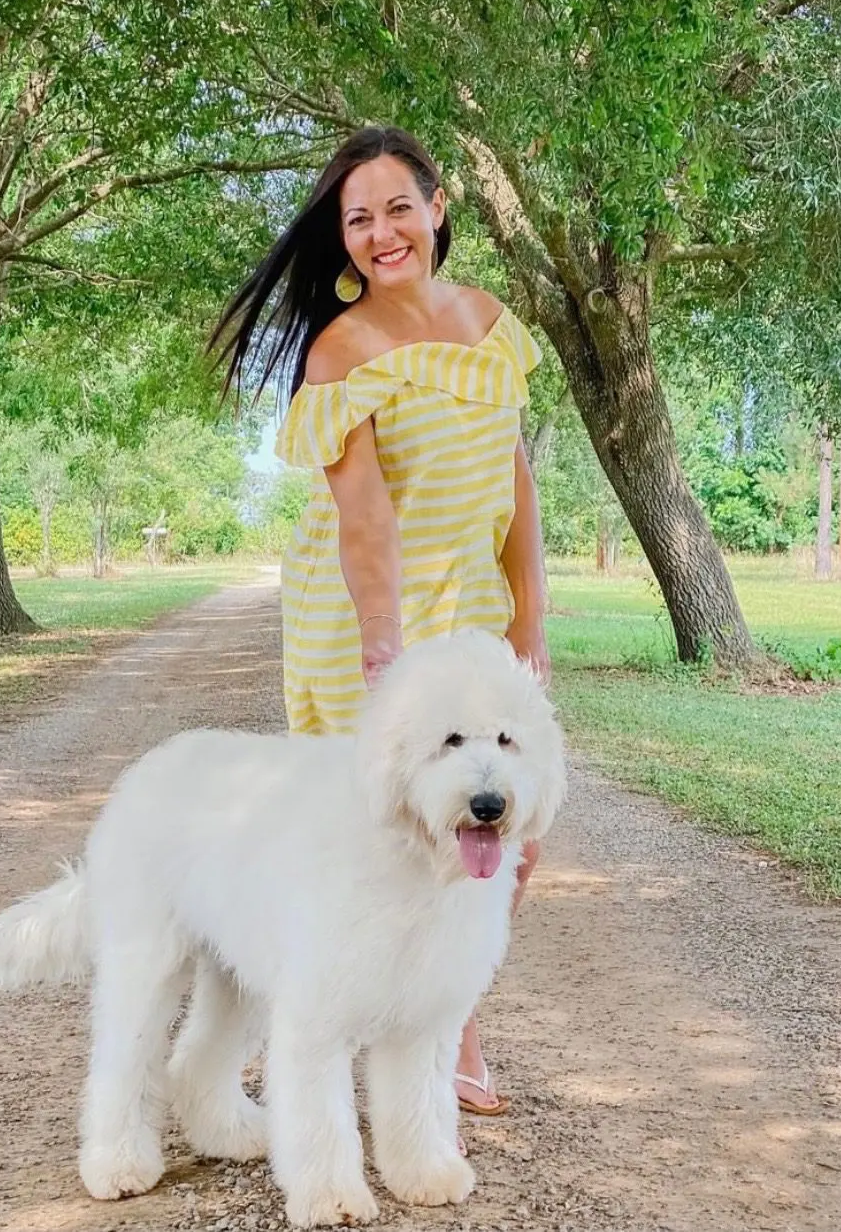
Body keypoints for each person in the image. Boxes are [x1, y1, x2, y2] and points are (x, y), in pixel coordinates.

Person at [211, 125, 549, 1120]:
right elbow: (364, 518)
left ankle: (451, 1027)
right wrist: (384, 651)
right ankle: (300, 1027)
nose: (379, 231)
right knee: (367, 844)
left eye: (397, 207)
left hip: (476, 619)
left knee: (511, 836)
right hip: (364, 613)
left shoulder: (492, 324)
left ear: (440, 208)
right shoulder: (341, 348)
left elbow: (514, 478)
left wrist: (532, 613)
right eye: (357, 218)